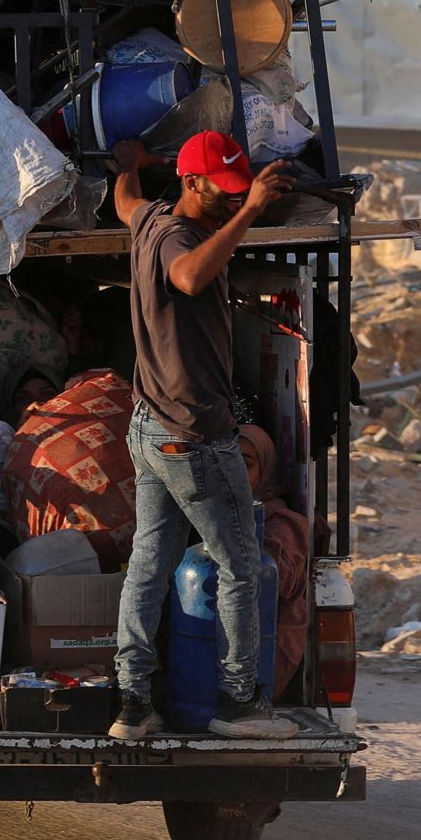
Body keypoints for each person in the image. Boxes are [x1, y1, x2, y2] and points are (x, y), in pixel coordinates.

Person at [109, 130, 299, 741]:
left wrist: (128, 162)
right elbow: (189, 277)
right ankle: (240, 704)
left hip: (149, 426)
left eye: (239, 191)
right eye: (225, 191)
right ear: (192, 183)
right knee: (241, 565)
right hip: (193, 435)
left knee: (150, 563)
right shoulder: (175, 238)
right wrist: (250, 214)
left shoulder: (148, 218)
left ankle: (133, 704)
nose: (233, 199)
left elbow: (124, 197)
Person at [239, 424, 311, 691]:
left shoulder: (283, 523)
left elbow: (277, 582)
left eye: (245, 465)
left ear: (265, 470)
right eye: (226, 463)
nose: (233, 474)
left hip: (268, 656)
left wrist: (248, 531)